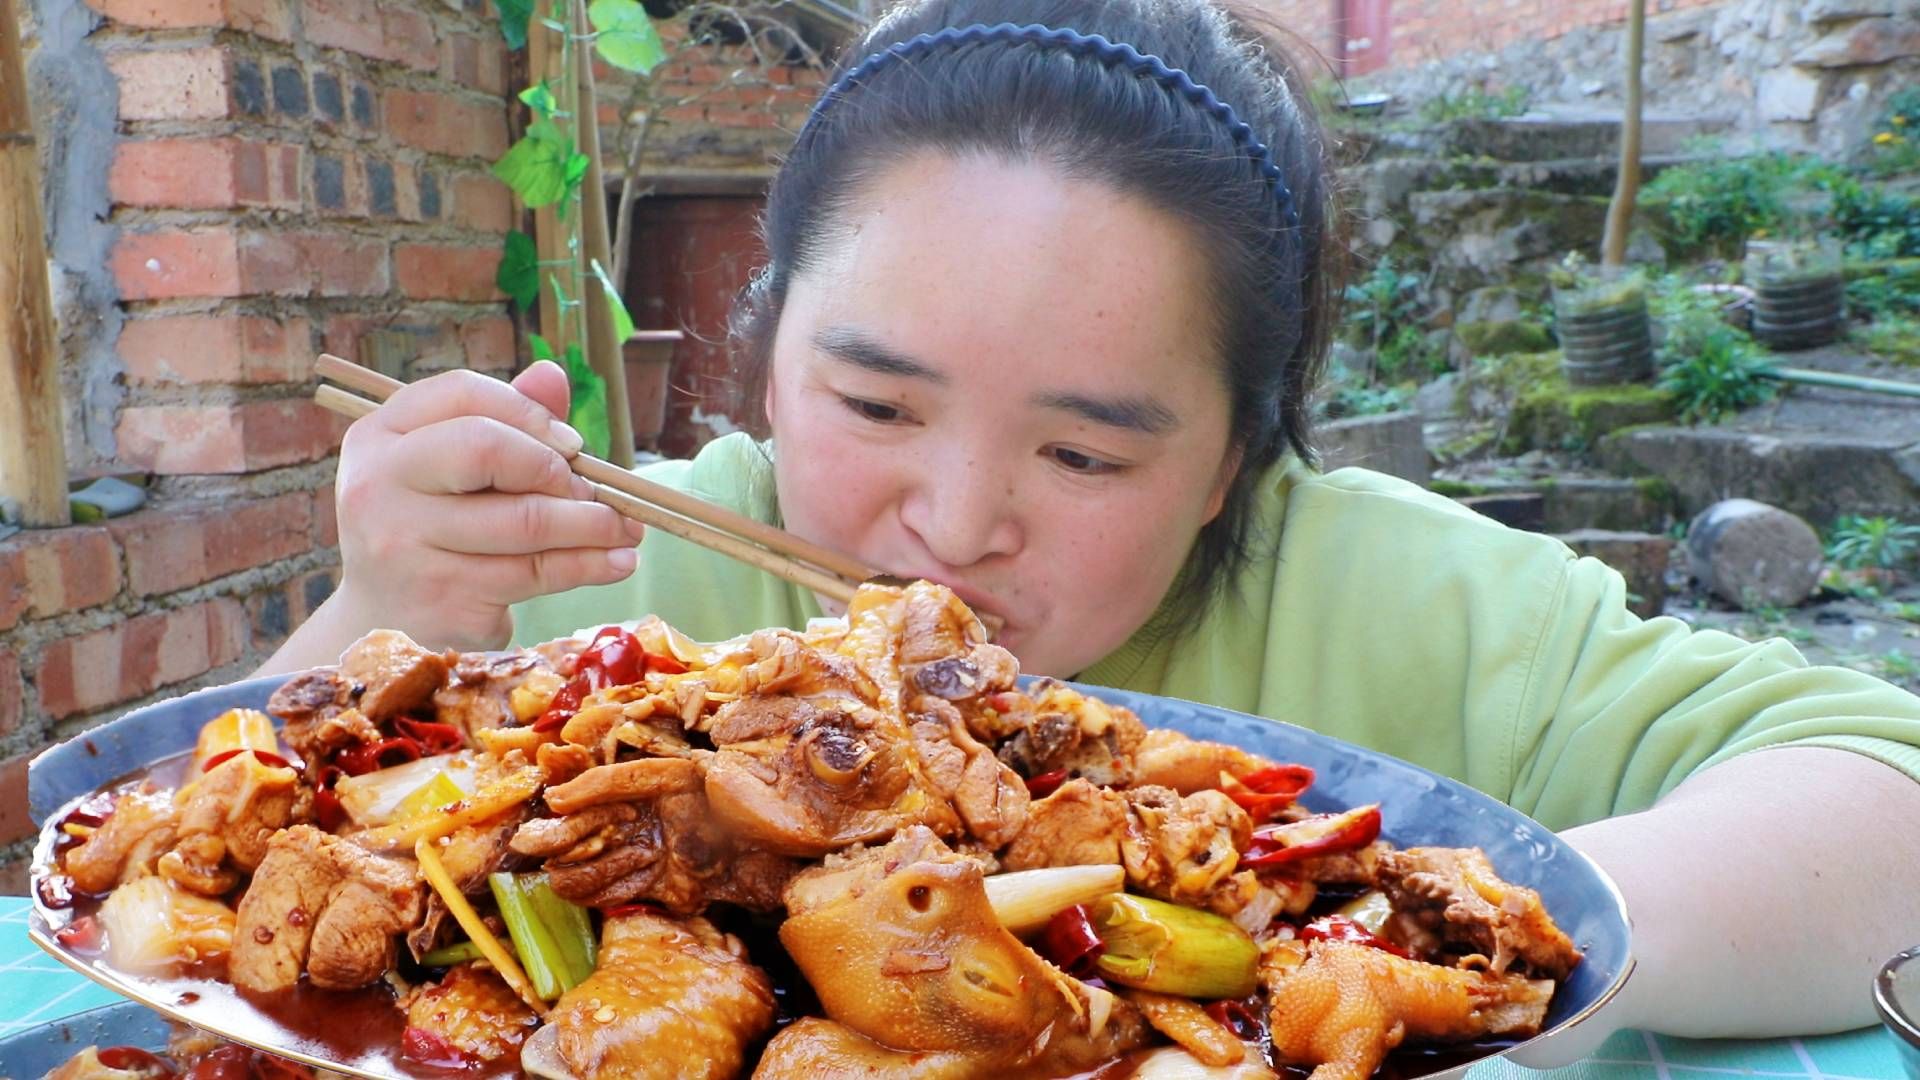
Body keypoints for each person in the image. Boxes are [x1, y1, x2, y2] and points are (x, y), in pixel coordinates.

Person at [263, 0, 1920, 1062]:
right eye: (879, 407)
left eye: (1082, 450)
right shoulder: (629, 570)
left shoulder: (1391, 589)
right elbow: (257, 878)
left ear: (1228, 466)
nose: (954, 522)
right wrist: (385, 608)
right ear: (765, 355)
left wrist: (1461, 961)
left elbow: (1883, 805)